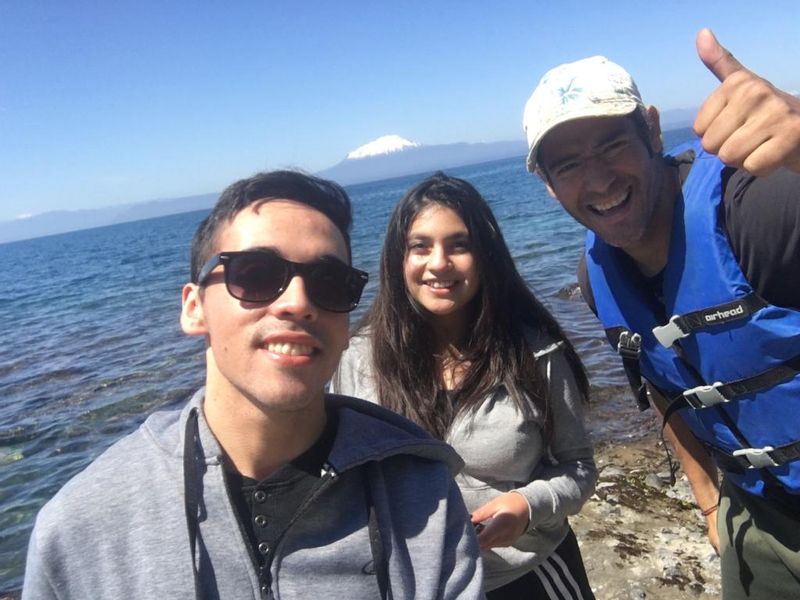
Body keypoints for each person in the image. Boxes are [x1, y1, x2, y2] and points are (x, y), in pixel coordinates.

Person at [22, 170, 485, 599]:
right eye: (257, 274)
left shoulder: (423, 494)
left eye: (330, 283)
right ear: (194, 307)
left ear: (347, 323)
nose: (298, 303)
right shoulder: (80, 530)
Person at [522, 28, 800, 599]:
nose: (598, 180)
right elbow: (663, 383)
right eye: (569, 164)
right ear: (548, 186)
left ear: (651, 129)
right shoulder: (596, 278)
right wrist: (707, 500)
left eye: (611, 145)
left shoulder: (758, 209)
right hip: (760, 523)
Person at [331, 172, 598, 599]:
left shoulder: (534, 353)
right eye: (421, 246)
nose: (439, 263)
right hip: (417, 584)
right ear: (398, 259)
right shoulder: (357, 360)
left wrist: (527, 508)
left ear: (485, 255)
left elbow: (578, 467)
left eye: (459, 245)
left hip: (527, 576)